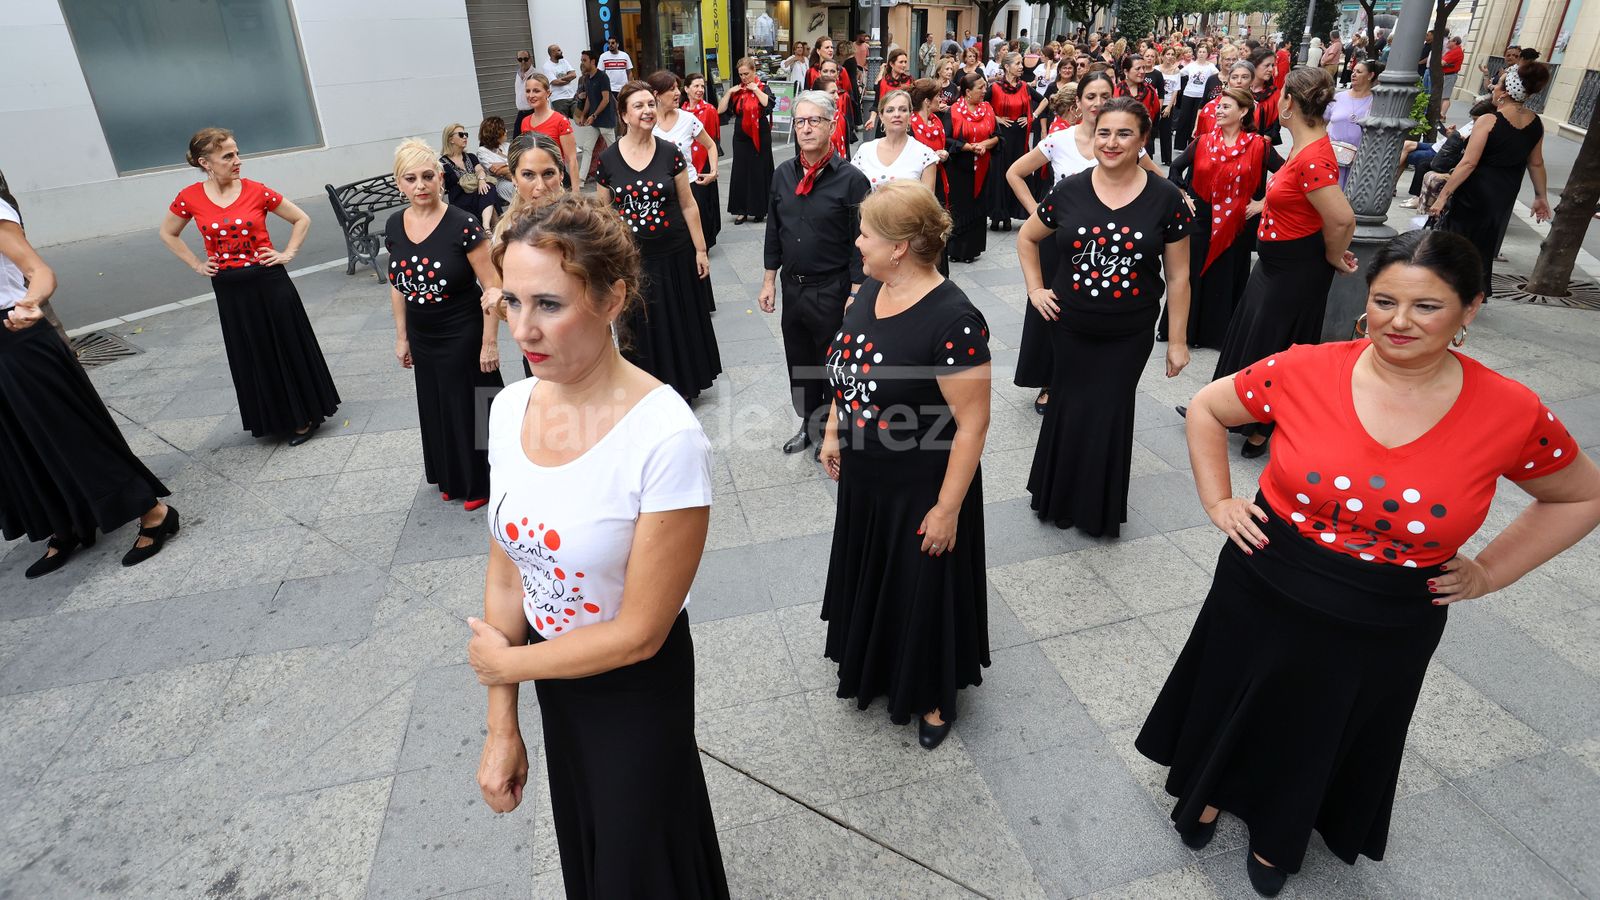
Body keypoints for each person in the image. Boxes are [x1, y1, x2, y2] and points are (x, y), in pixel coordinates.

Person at [1137, 228, 1600, 898]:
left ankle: (1282, 825)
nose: (1400, 322)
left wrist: (1493, 570)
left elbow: (1581, 495)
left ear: (1470, 308)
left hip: (1386, 612)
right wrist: (1218, 501)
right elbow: (1209, 408)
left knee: (1328, 717)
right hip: (1265, 575)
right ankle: (1207, 786)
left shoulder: (1511, 411)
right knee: (1234, 686)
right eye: (1385, 301)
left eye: (1427, 306)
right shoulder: (1305, 367)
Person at [468, 194, 730, 900]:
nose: (525, 328)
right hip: (557, 679)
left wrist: (510, 664)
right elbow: (506, 570)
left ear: (613, 297)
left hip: (635, 692)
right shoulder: (508, 407)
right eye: (511, 302)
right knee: (594, 846)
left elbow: (641, 634)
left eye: (549, 304)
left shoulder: (664, 436)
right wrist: (502, 727)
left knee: (636, 861)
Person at [816, 179, 991, 751]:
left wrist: (947, 509)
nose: (857, 242)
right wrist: (836, 432)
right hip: (869, 476)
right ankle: (878, 656)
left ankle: (936, 692)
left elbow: (973, 424)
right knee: (881, 572)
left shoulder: (955, 320)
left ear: (900, 246)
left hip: (924, 485)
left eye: (866, 233)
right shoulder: (870, 289)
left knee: (924, 582)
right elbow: (847, 366)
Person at [1020, 97, 1192, 537]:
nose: (1111, 142)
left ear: (1143, 141)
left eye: (1123, 134)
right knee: (1070, 405)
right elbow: (1027, 237)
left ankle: (1095, 507)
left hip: (1128, 333)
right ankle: (1055, 495)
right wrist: (1036, 290)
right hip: (1070, 326)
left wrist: (1176, 341)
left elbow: (1179, 276)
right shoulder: (1069, 189)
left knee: (1109, 412)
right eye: (1103, 132)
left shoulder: (1166, 198)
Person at [4, 182, 179, 577]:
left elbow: (38, 271)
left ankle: (155, 513)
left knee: (70, 436)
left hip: (18, 337)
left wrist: (31, 302)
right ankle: (65, 525)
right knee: (20, 448)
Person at [1209, 67, 1356, 458]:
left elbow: (1342, 219)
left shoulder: (1314, 157)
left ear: (1288, 102)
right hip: (1276, 265)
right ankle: (1229, 406)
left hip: (1295, 270)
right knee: (1250, 335)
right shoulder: (1304, 148)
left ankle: (1263, 426)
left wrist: (1332, 255)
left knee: (1275, 345)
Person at [160, 128, 339, 446]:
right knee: (251, 351)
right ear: (206, 162)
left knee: (283, 345)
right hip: (230, 291)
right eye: (228, 156)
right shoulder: (190, 197)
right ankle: (273, 418)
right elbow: (168, 233)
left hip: (268, 281)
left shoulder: (257, 191)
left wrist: (287, 253)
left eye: (237, 153)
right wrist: (197, 265)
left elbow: (301, 219)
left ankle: (303, 417)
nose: (237, 160)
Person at [385, 140, 505, 510]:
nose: (420, 185)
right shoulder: (395, 224)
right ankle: (453, 475)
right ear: (399, 183)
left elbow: (493, 287)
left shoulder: (463, 225)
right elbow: (396, 284)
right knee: (438, 404)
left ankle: (487, 479)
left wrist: (489, 343)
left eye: (427, 176)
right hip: (424, 333)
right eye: (411, 179)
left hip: (464, 330)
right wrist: (402, 336)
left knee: (474, 404)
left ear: (440, 179)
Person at [759, 90, 871, 456]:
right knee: (801, 361)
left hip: (834, 287)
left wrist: (856, 291)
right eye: (801, 121)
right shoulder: (782, 175)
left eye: (815, 121)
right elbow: (774, 230)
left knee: (835, 363)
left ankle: (837, 429)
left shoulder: (851, 179)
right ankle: (809, 425)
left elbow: (861, 238)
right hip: (794, 288)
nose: (806, 128)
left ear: (832, 124)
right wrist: (768, 282)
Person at [597, 82, 721, 401]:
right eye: (638, 105)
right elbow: (604, 217)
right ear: (623, 114)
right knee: (642, 324)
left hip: (676, 254)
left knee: (679, 320)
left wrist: (700, 249)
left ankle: (685, 385)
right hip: (632, 260)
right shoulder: (608, 160)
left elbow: (688, 203)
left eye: (651, 104)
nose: (648, 110)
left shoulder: (670, 152)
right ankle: (647, 390)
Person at [1166, 88, 1280, 350]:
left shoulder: (1259, 146)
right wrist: (1183, 195)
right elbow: (1175, 167)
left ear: (1243, 112)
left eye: (1226, 107)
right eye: (1218, 106)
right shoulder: (1203, 141)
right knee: (1193, 273)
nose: (1218, 110)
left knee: (1227, 275)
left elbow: (1289, 176)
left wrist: (1263, 203)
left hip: (1237, 224)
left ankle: (1220, 335)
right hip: (1202, 219)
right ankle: (1188, 332)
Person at [1433, 61, 1553, 294]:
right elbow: (1536, 162)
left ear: (1505, 93)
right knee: (1484, 242)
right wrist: (1541, 197)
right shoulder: (1535, 122)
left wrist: (1443, 196)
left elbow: (1469, 163)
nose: (1493, 88)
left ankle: (1449, 288)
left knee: (1457, 238)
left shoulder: (1488, 121)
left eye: (1497, 84)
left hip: (1476, 190)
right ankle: (1475, 290)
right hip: (1504, 193)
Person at [648, 71, 721, 259]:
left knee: (690, 243)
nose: (677, 93)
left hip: (688, 187)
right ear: (656, 94)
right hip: (659, 192)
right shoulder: (646, 122)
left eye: (677, 88)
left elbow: (711, 145)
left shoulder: (688, 119)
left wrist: (713, 171)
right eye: (671, 89)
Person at [944, 73, 999, 264]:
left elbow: (997, 136)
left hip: (983, 166)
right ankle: (955, 249)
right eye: (981, 87)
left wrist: (985, 144)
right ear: (968, 92)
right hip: (960, 168)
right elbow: (947, 139)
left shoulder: (988, 109)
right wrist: (968, 147)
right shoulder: (953, 112)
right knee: (959, 206)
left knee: (978, 206)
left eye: (985, 87)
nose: (985, 90)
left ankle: (973, 249)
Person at [984, 53, 1035, 232]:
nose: (1021, 66)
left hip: (1019, 139)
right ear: (1006, 67)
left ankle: (1011, 214)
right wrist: (996, 118)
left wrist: (1031, 118)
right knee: (1000, 174)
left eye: (1021, 63)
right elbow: (983, 106)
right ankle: (999, 215)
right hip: (1002, 137)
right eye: (1018, 63)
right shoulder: (995, 87)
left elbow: (1043, 101)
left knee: (1017, 174)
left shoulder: (1025, 87)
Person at [851, 89, 939, 193]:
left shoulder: (926, 155)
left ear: (910, 115)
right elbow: (852, 192)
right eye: (890, 110)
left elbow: (927, 203)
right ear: (881, 116)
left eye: (903, 110)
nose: (897, 114)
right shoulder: (865, 151)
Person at [719, 58, 773, 225]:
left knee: (759, 170)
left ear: (754, 71)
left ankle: (760, 210)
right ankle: (740, 211)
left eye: (747, 74)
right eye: (741, 74)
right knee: (740, 171)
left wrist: (755, 89)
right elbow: (720, 111)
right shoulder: (737, 92)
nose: (743, 77)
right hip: (741, 137)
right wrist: (728, 92)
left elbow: (767, 104)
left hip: (760, 134)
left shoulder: (763, 88)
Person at [682, 72, 723, 251]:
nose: (700, 90)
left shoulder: (710, 110)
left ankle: (706, 239)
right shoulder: (680, 111)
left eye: (702, 86)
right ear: (686, 89)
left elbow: (714, 139)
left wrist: (713, 167)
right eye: (696, 86)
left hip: (704, 161)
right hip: (686, 162)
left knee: (704, 201)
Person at [519, 73, 579, 188]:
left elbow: (571, 160)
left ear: (548, 93)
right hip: (534, 185)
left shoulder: (560, 121)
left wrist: (576, 195)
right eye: (528, 91)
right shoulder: (525, 122)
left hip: (556, 183)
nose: (531, 95)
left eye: (536, 91)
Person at [1327, 60, 1381, 186]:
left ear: (1370, 75)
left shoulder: (1377, 101)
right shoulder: (1338, 97)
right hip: (1333, 158)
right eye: (1353, 71)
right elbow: (1321, 123)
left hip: (1360, 160)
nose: (1353, 74)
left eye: (1359, 72)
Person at [440, 122, 498, 227]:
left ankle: (486, 227)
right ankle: (496, 231)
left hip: (478, 193)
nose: (465, 137)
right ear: (450, 139)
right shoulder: (442, 163)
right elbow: (441, 187)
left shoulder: (470, 157)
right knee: (489, 199)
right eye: (461, 135)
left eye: (466, 134)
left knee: (488, 189)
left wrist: (481, 180)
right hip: (461, 200)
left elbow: (480, 170)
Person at [573, 50, 616, 186]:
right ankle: (581, 179)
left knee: (613, 150)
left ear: (592, 61)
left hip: (605, 120)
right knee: (587, 148)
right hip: (594, 120)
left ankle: (618, 174)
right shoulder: (587, 79)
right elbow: (589, 100)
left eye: (584, 60)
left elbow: (606, 99)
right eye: (581, 60)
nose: (582, 63)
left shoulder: (603, 77)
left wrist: (593, 115)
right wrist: (583, 115)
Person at [1116, 56, 1163, 158]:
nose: (1142, 71)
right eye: (1137, 69)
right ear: (1126, 71)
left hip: (1144, 140)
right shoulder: (1116, 91)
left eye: (1144, 68)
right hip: (1120, 141)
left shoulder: (1150, 91)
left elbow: (1155, 113)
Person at [1174, 48, 1218, 151]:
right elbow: (1180, 73)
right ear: (1197, 53)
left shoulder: (1211, 66)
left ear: (1207, 54)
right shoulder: (1191, 65)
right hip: (1188, 94)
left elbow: (1217, 76)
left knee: (1195, 121)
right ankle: (1179, 145)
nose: (1201, 54)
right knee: (1184, 119)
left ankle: (1192, 144)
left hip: (1201, 96)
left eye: (1204, 52)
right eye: (1200, 52)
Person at [865, 48, 915, 136]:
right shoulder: (883, 82)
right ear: (892, 64)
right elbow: (877, 104)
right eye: (901, 62)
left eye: (905, 62)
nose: (904, 65)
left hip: (903, 123)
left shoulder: (909, 81)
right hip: (885, 124)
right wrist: (872, 119)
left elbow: (913, 105)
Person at [476, 117, 515, 208]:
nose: (506, 131)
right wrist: (512, 166)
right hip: (498, 182)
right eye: (503, 129)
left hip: (515, 176)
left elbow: (519, 164)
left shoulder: (508, 146)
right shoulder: (482, 151)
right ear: (495, 133)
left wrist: (504, 165)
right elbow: (496, 171)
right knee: (519, 189)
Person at [1156, 48, 1183, 163]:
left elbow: (1175, 90)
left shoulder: (1176, 71)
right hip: (1155, 102)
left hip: (1167, 103)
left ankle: (1167, 159)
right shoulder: (1156, 69)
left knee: (1166, 132)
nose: (1170, 56)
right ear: (1162, 56)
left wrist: (1169, 106)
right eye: (1168, 54)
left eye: (1172, 54)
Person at [542, 44, 578, 117]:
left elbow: (573, 74)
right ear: (552, 53)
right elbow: (555, 82)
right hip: (558, 99)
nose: (561, 51)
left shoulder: (564, 61)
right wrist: (568, 79)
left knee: (578, 117)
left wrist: (562, 79)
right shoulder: (547, 66)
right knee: (563, 122)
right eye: (558, 50)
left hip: (571, 96)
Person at [512, 49, 538, 136]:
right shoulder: (518, 74)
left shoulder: (536, 75)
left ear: (530, 59)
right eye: (520, 59)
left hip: (533, 112)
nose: (523, 62)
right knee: (516, 139)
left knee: (533, 139)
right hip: (521, 113)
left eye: (525, 59)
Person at [1440, 36, 1464, 120]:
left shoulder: (1455, 51)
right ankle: (1441, 115)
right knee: (1443, 96)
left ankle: (1442, 116)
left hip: (1449, 75)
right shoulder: (1454, 51)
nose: (1447, 42)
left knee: (1445, 97)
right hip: (1448, 75)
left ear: (1455, 42)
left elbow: (1442, 62)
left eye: (1449, 41)